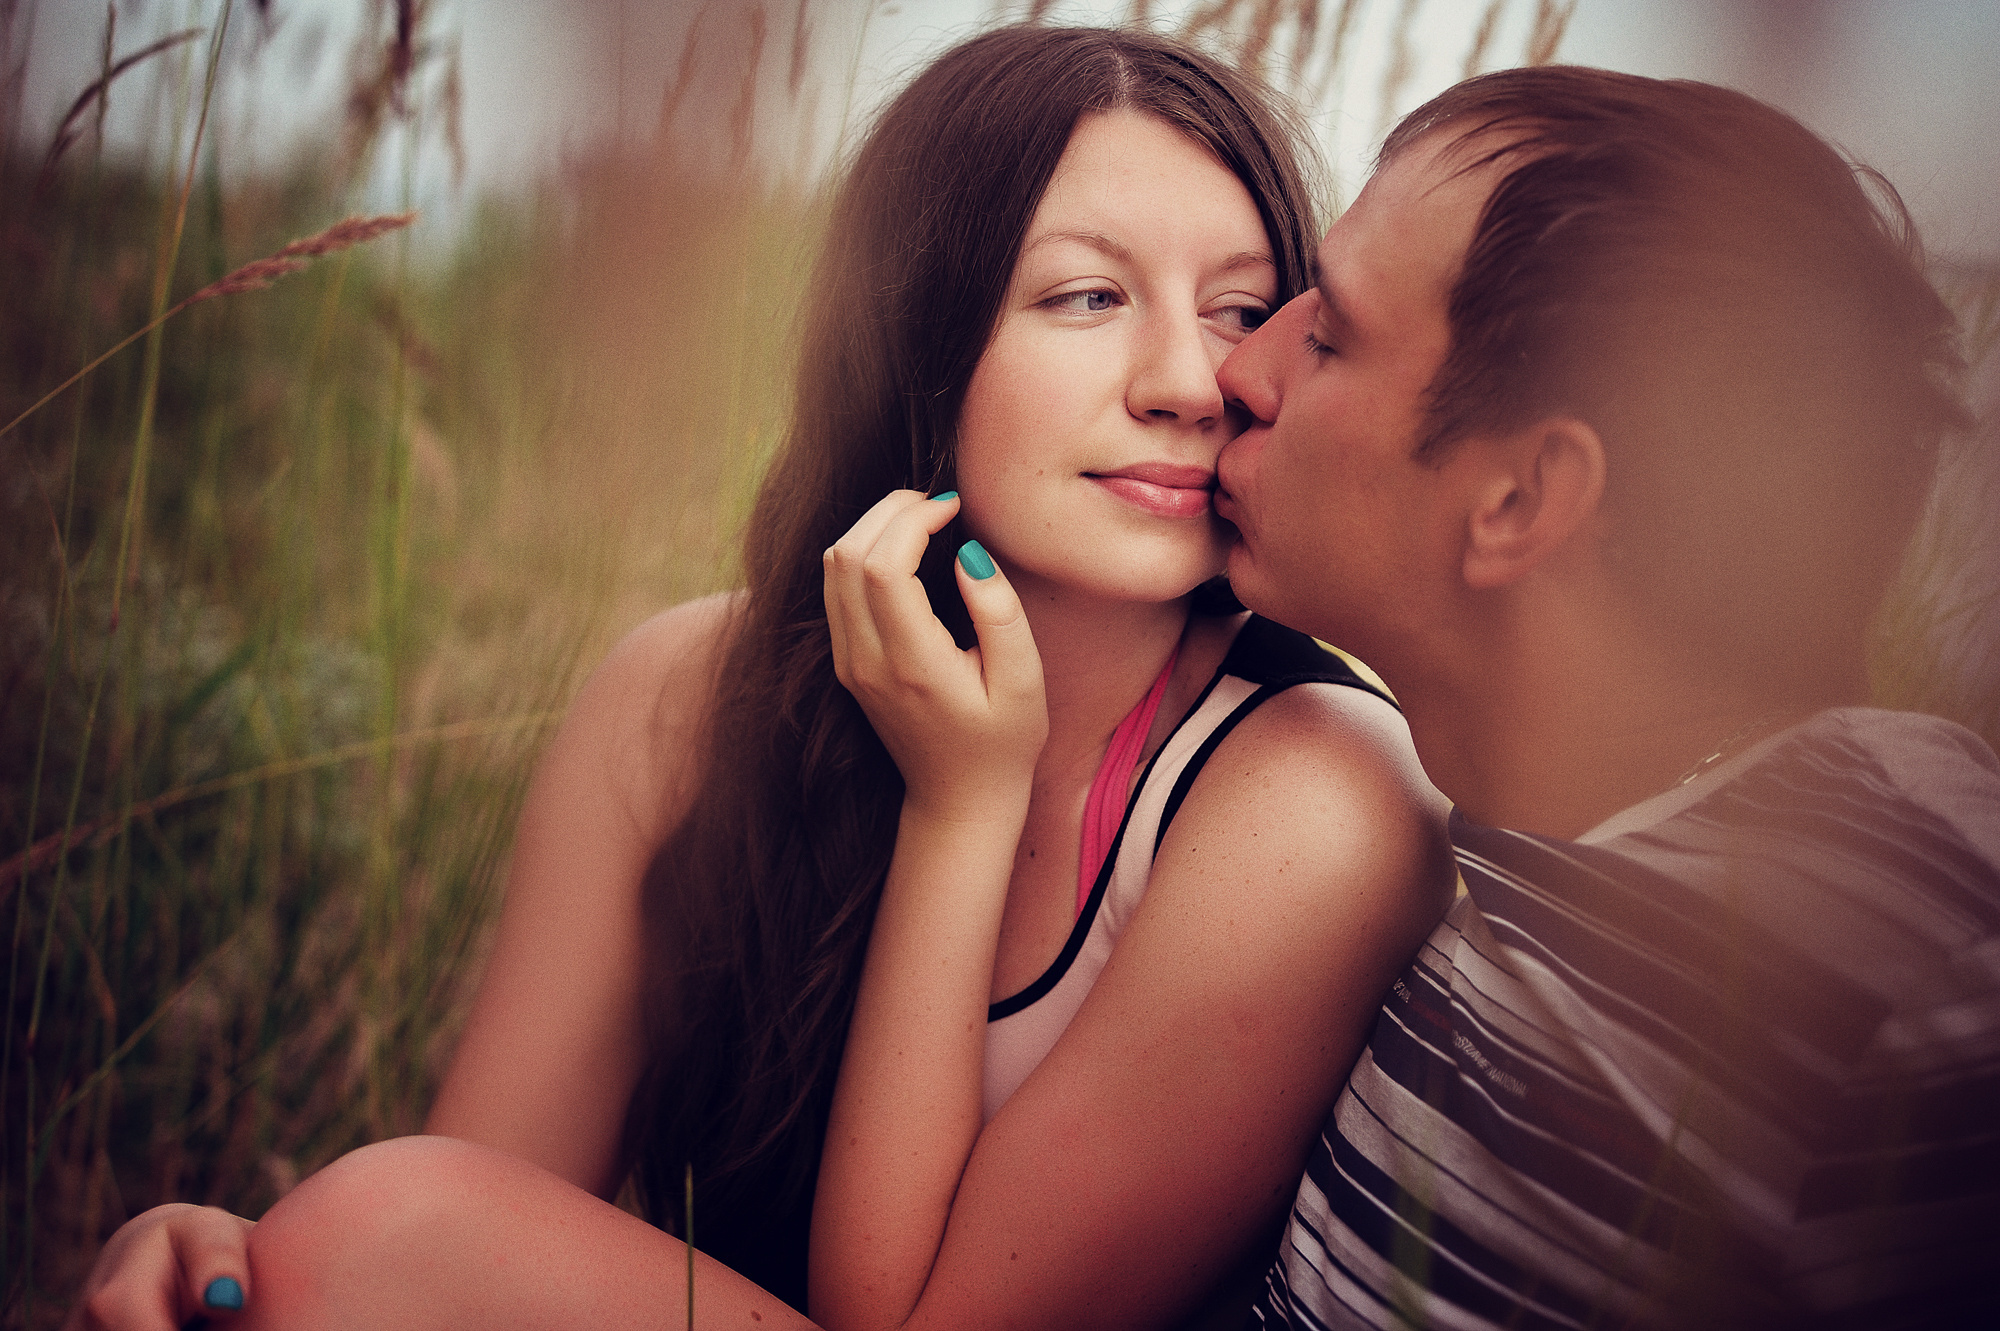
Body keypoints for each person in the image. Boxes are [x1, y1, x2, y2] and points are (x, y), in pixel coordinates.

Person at [66, 26, 1453, 1331]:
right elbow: (483, 1215)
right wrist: (269, 1261)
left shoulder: (1312, 799)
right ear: (912, 337)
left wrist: (961, 806)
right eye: (1085, 295)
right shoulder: (682, 697)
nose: (1187, 381)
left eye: (1241, 308)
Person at [1210, 65, 2000, 1328]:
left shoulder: (1917, 957)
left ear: (1519, 499)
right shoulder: (1532, 858)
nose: (1239, 369)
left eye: (1328, 335)